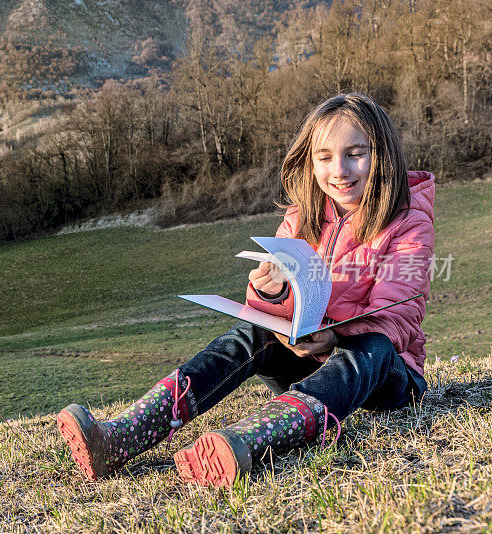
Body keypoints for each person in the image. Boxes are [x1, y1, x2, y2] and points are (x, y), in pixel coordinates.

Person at [56, 92, 435, 487]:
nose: (338, 170)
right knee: (251, 334)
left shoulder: (408, 222)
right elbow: (274, 309)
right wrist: (271, 296)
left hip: (386, 379)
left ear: (382, 155)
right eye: (324, 157)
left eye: (355, 153)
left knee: (371, 346)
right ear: (310, 161)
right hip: (308, 363)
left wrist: (335, 336)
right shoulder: (301, 216)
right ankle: (121, 436)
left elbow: (399, 317)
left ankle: (245, 443)